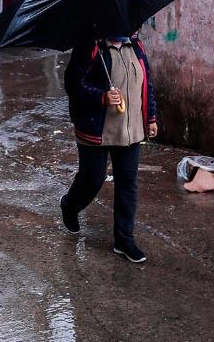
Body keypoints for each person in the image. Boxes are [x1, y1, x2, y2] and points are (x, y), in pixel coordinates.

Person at [60, 34, 158, 263]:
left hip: (131, 130)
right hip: (97, 129)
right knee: (93, 178)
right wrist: (101, 97)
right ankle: (70, 204)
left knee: (128, 185)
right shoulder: (90, 47)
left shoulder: (135, 46)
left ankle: (124, 241)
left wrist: (151, 117)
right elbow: (73, 84)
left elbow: (146, 84)